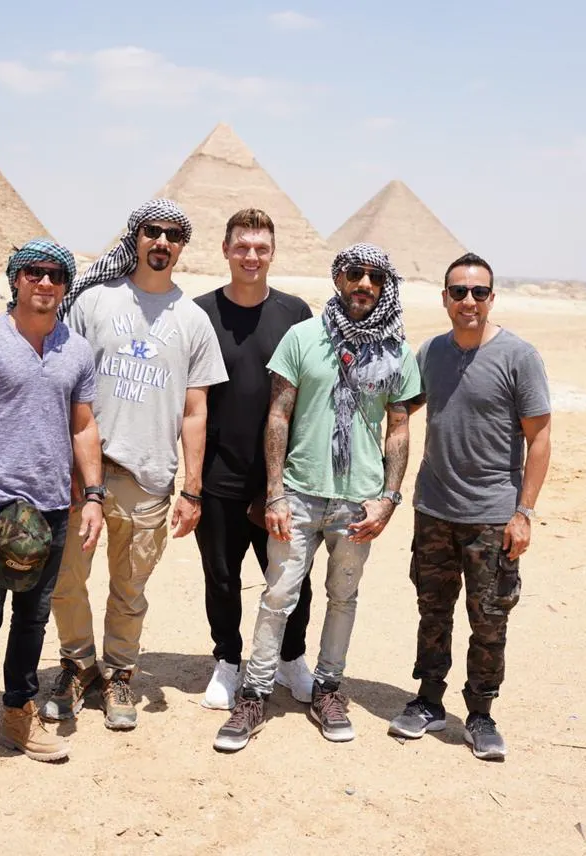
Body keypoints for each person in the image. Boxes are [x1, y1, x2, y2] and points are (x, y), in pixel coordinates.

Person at [214, 243, 421, 752]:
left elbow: (398, 428)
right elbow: (279, 414)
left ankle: (328, 688)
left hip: (359, 501)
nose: (365, 284)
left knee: (343, 597)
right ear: (338, 277)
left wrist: (389, 498)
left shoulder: (397, 351)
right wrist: (275, 493)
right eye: (355, 273)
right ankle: (255, 693)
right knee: (278, 595)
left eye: (376, 277)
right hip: (300, 493)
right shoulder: (303, 337)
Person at [43, 199, 228, 731]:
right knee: (65, 582)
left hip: (148, 478)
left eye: (173, 234)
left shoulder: (193, 320)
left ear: (182, 246)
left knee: (129, 590)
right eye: (152, 231)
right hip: (85, 472)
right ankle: (78, 665)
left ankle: (120, 671)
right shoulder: (94, 301)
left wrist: (192, 489)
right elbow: (63, 384)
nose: (162, 242)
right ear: (135, 236)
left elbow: (195, 411)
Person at [0, 239, 106, 797]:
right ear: (15, 279)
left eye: (56, 274)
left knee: (33, 620)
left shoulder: (76, 350)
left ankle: (18, 712)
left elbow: (83, 425)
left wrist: (94, 495)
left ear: (66, 285)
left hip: (52, 505)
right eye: (33, 272)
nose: (45, 282)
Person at [387, 251, 552, 762]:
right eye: (459, 292)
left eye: (478, 292)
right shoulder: (432, 352)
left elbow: (540, 439)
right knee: (432, 612)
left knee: (489, 620)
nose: (468, 301)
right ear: (445, 298)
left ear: (492, 298)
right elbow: (402, 406)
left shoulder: (519, 356)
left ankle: (480, 714)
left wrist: (523, 514)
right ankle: (428, 700)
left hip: (492, 517)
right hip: (434, 509)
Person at [193, 208, 316, 710]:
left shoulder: (296, 313)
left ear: (273, 253)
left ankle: (291, 658)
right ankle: (227, 661)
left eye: (261, 248)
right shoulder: (199, 313)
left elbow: (311, 394)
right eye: (242, 246)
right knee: (221, 577)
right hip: (218, 472)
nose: (251, 256)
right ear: (225, 249)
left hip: (282, 478)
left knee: (292, 578)